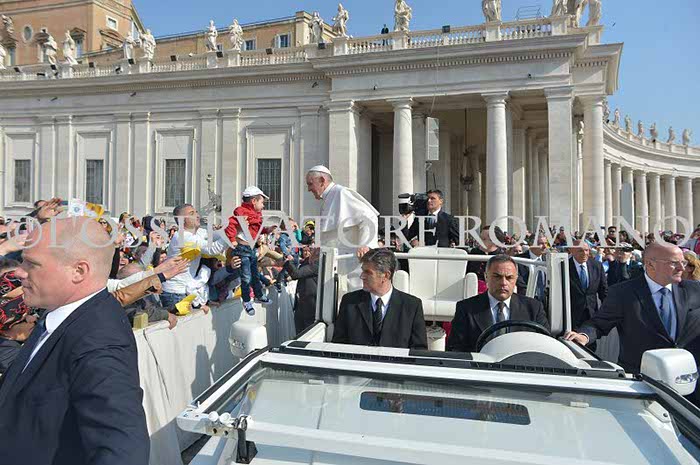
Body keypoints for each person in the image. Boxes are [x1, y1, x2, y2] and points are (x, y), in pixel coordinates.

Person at [0, 217, 149, 465]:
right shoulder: (61, 314)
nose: (18, 272)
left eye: (32, 264)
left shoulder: (100, 340)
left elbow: (124, 447)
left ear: (79, 271)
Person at [565, 243, 700, 402]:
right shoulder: (624, 293)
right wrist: (583, 336)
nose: (682, 268)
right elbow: (599, 323)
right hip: (642, 385)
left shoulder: (694, 290)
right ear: (650, 264)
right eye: (674, 263)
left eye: (683, 262)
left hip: (689, 383)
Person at [446, 255, 550, 353]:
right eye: (497, 277)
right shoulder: (466, 309)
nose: (503, 283)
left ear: (516, 279)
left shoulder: (533, 308)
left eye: (509, 277)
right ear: (486, 277)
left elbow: (547, 345)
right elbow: (455, 349)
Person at [332, 248, 427, 349]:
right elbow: (338, 345)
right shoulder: (349, 302)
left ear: (385, 275)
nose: (362, 276)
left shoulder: (412, 306)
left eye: (368, 272)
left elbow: (419, 350)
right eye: (363, 271)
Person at [306, 165, 379, 290]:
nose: (308, 189)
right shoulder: (328, 198)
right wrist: (319, 248)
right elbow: (333, 232)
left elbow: (369, 217)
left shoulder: (341, 193)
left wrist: (365, 244)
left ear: (322, 180)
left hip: (351, 262)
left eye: (310, 184)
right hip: (337, 263)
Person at [161, 203, 229, 312]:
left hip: (185, 290)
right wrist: (231, 234)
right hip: (175, 293)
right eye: (191, 213)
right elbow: (213, 249)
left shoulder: (199, 232)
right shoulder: (182, 236)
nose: (197, 215)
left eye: (196, 212)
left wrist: (235, 226)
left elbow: (217, 235)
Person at [224, 187, 273, 315]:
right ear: (254, 201)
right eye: (262, 202)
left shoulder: (256, 215)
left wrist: (267, 230)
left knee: (255, 274)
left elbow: (257, 228)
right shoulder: (242, 212)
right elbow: (230, 225)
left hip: (251, 248)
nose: (263, 206)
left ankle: (259, 295)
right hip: (242, 249)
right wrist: (232, 240)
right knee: (246, 277)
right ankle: (246, 301)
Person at [568, 240, 607, 329]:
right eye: (580, 251)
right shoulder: (564, 266)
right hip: (571, 318)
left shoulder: (597, 266)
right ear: (571, 250)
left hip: (592, 316)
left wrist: (607, 312)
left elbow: (604, 291)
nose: (584, 253)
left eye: (586, 250)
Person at [283, 246, 320, 334]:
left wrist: (288, 261)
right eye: (305, 251)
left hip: (310, 307)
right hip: (301, 305)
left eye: (310, 250)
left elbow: (296, 274)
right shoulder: (306, 262)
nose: (308, 253)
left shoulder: (316, 264)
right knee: (299, 334)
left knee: (307, 335)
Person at [516, 234, 548, 303]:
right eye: (540, 244)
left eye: (546, 243)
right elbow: (520, 283)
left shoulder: (548, 260)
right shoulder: (519, 260)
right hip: (526, 301)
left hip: (546, 303)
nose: (545, 246)